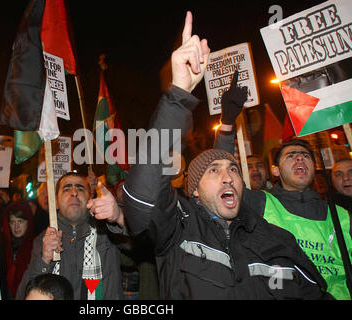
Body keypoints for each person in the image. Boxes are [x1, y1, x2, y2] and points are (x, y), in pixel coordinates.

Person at [121, 11, 331, 300]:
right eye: (213, 171)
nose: (228, 176)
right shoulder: (177, 232)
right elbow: (142, 200)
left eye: (234, 170)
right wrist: (179, 94)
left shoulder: (277, 238)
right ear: (192, 191)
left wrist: (228, 122)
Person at [214, 67, 351, 300]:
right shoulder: (260, 204)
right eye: (291, 155)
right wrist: (227, 123)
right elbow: (221, 176)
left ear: (314, 167)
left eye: (305, 155)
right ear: (275, 170)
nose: (300, 158)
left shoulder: (341, 215)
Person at [15, 171, 125, 300]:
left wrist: (120, 217)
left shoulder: (109, 232)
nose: (74, 193)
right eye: (67, 189)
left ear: (90, 198)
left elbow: (142, 246)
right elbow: (23, 295)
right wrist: (44, 261)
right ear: (55, 202)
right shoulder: (43, 240)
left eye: (80, 188)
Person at [0, 200, 35, 298]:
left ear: (28, 222)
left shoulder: (35, 246)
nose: (16, 227)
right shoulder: (4, 247)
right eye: (12, 222)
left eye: (20, 221)